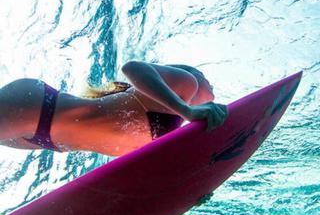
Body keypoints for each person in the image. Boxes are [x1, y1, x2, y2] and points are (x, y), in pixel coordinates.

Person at [0, 61, 228, 156]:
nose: (212, 86)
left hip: (42, 138)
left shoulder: (174, 127)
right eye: (208, 79)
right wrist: (186, 110)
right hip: (39, 108)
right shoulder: (188, 83)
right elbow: (132, 68)